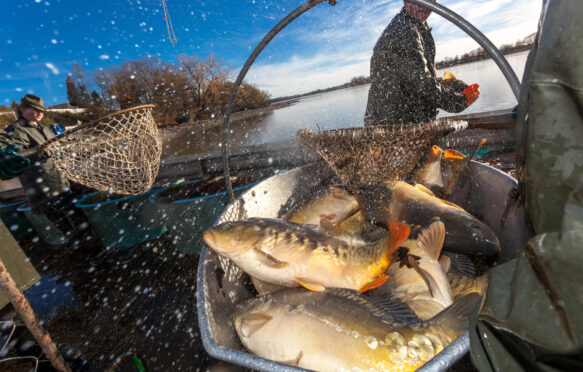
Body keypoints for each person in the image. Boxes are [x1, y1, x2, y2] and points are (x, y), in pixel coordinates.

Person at [363, 0, 480, 126]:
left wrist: (454, 85)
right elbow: (421, 85)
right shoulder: (404, 29)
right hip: (393, 127)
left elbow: (414, 79)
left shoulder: (416, 26)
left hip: (406, 122)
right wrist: (459, 101)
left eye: (430, 1)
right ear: (405, 1)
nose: (424, 6)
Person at [1, 94, 84, 239]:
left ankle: (92, 246)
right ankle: (82, 251)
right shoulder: (16, 130)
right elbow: (17, 154)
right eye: (34, 109)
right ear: (22, 109)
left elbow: (59, 148)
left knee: (81, 221)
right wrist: (38, 153)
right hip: (43, 189)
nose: (39, 113)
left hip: (62, 182)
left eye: (41, 110)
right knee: (65, 227)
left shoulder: (46, 129)